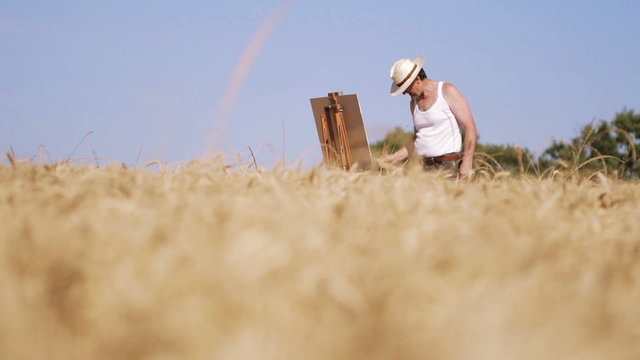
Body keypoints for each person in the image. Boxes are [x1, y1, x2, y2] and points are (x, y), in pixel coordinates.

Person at [383, 55, 478, 178]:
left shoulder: (447, 91)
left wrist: (467, 161)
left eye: (406, 88)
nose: (405, 93)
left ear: (417, 79)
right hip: (423, 170)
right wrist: (395, 157)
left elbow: (471, 128)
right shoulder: (414, 104)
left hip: (448, 167)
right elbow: (418, 139)